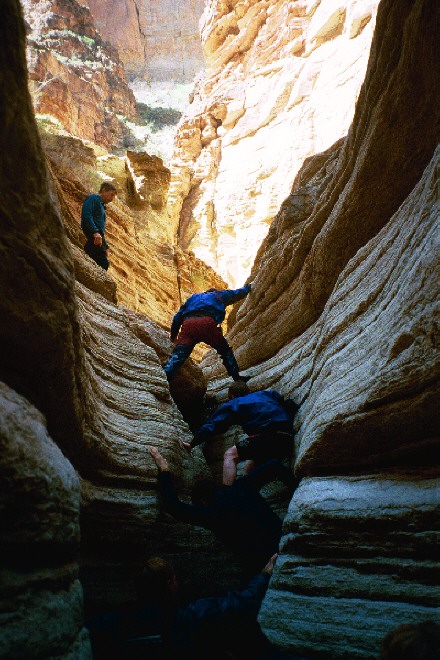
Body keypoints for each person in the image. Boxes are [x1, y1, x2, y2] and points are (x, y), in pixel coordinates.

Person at [87, 553, 277, 660]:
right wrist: (264, 574)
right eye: (176, 579)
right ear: (170, 583)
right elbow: (238, 604)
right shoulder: (188, 618)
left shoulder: (113, 623)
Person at [148, 446, 298, 577]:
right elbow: (274, 466)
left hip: (263, 562)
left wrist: (164, 469)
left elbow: (173, 506)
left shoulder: (210, 514)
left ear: (202, 501)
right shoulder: (243, 486)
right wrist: (299, 492)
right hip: (286, 541)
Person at [182, 381, 299, 485]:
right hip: (286, 438)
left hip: (266, 438)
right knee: (248, 470)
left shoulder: (236, 403)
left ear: (232, 396)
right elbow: (289, 404)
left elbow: (213, 425)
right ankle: (247, 496)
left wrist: (192, 444)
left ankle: (228, 496)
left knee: (230, 455)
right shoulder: (267, 394)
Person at [163, 284, 251, 382]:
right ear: (214, 291)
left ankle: (163, 379)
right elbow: (236, 293)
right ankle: (237, 378)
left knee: (178, 357)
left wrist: (173, 337)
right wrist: (247, 288)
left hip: (188, 325)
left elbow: (177, 317)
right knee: (225, 351)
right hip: (207, 324)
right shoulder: (218, 295)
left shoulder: (193, 298)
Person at [81, 181, 117, 270]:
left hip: (97, 236)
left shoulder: (101, 204)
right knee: (103, 263)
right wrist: (95, 232)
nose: (112, 199)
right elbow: (86, 215)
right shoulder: (93, 198)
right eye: (111, 195)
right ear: (104, 190)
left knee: (90, 258)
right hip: (94, 235)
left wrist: (105, 246)